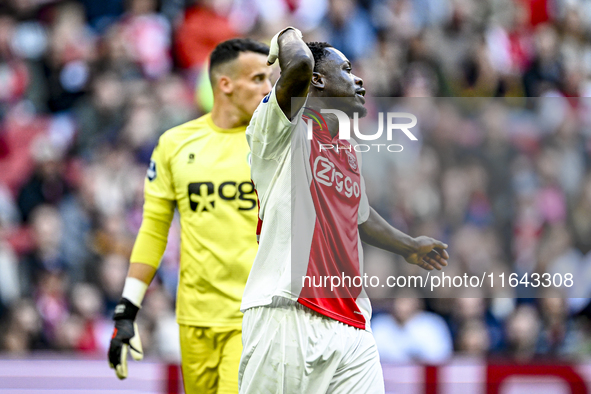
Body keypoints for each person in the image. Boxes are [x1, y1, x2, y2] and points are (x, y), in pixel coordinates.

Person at [239, 27, 449, 393]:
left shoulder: (346, 149)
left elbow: (361, 215)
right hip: (288, 314)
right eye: (348, 70)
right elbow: (300, 61)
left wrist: (408, 245)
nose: (359, 79)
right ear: (316, 81)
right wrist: (286, 34)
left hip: (351, 323)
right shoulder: (279, 131)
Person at [107, 38, 272, 394]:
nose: (269, 88)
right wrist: (126, 311)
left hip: (253, 318)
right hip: (194, 318)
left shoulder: (273, 142)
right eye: (258, 78)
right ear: (225, 84)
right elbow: (153, 231)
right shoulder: (174, 144)